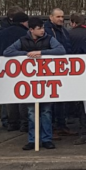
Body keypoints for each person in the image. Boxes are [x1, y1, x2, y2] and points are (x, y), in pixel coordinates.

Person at [5, 17, 66, 150]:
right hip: (31, 84)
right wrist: (27, 54)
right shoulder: (22, 40)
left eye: (43, 28)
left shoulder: (49, 39)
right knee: (32, 113)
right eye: (39, 29)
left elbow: (61, 50)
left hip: (46, 84)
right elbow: (7, 52)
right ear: (31, 30)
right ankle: (33, 140)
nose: (43, 31)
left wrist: (40, 52)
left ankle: (46, 139)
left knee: (46, 112)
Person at [0, 11, 29, 131]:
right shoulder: (26, 34)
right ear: (24, 22)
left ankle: (11, 123)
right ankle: (24, 123)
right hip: (23, 68)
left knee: (9, 96)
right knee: (23, 96)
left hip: (5, 68)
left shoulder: (2, 33)